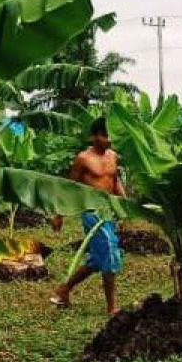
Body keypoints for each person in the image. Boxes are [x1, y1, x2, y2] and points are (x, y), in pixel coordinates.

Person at [50, 117, 125, 312]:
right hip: (92, 213)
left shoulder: (113, 156)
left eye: (110, 135)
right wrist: (59, 215)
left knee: (96, 260)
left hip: (109, 213)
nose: (108, 139)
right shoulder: (83, 159)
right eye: (104, 135)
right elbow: (69, 188)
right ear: (94, 136)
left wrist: (124, 205)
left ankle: (63, 290)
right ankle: (112, 307)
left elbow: (115, 181)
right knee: (109, 253)